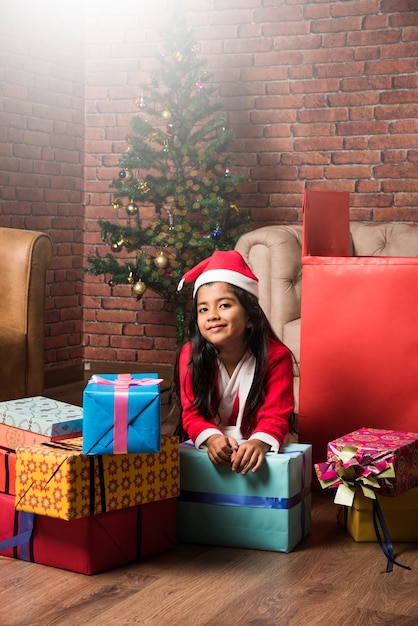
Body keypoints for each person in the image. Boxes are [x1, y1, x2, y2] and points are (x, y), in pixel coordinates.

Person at [172, 249, 295, 475]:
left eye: (224, 305)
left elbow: (276, 414)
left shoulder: (277, 356)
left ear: (250, 316)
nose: (212, 315)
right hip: (206, 452)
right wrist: (211, 439)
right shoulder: (190, 355)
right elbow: (192, 414)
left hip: (258, 449)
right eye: (203, 309)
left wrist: (258, 443)